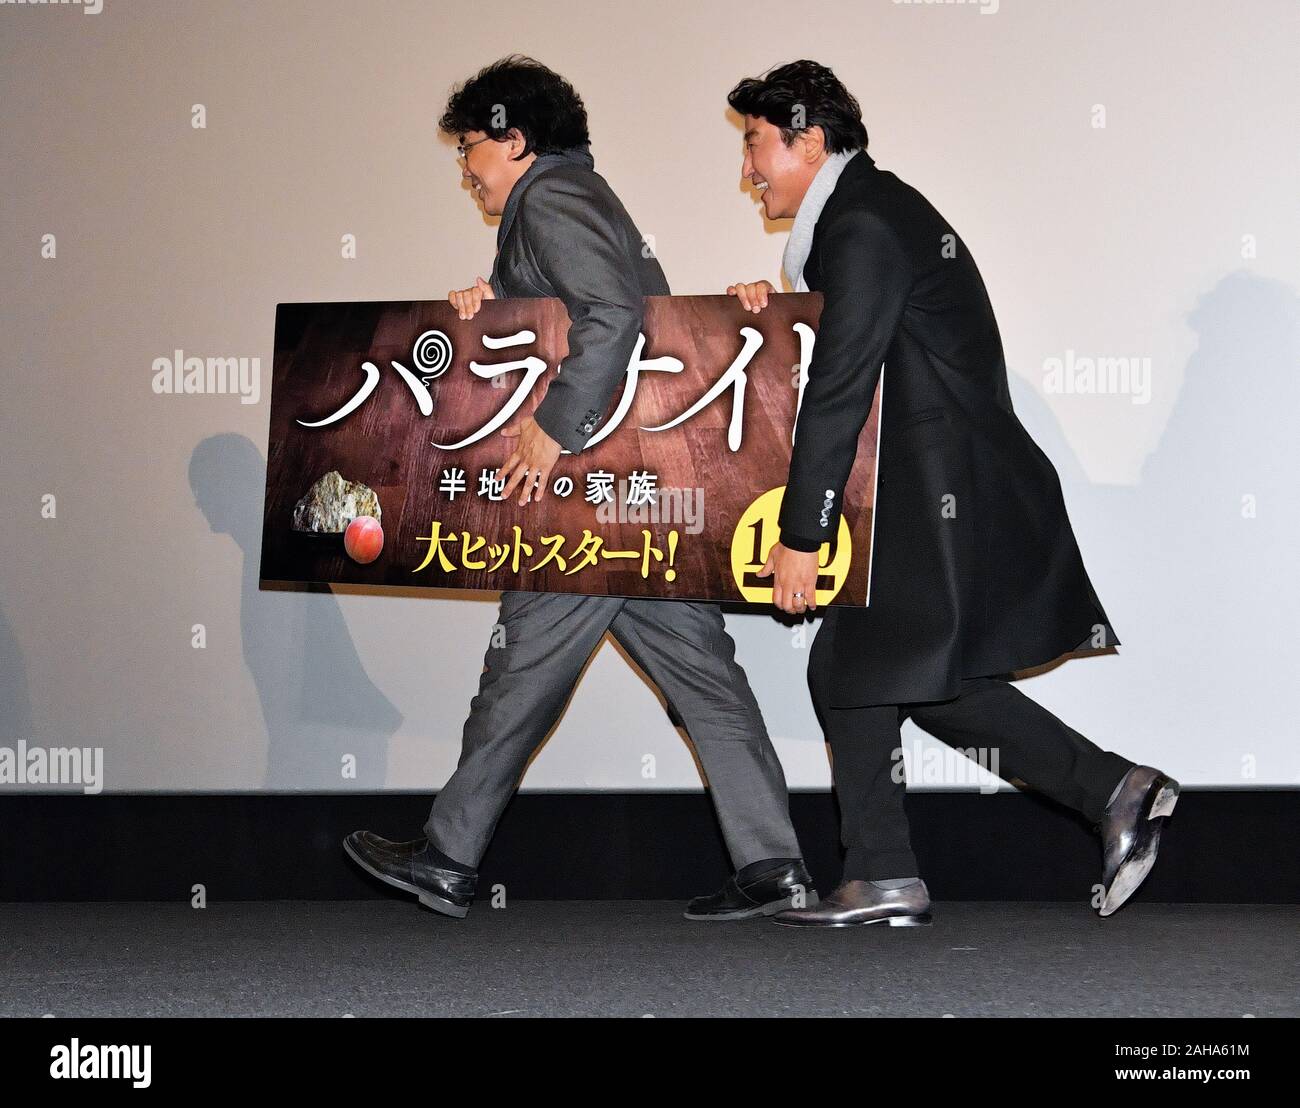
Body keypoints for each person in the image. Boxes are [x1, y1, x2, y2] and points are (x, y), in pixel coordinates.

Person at [345, 56, 813, 920]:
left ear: (514, 141)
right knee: (704, 676)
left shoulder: (552, 200)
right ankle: (774, 865)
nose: (465, 168)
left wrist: (550, 427)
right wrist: (499, 306)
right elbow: (604, 308)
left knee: (520, 668)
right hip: (639, 490)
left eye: (471, 149)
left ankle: (448, 857)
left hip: (589, 490)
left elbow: (614, 315)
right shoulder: (572, 200)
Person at [723, 60, 1179, 927]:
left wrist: (803, 532)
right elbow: (845, 352)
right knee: (908, 677)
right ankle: (1112, 790)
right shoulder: (870, 214)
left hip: (932, 490)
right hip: (937, 484)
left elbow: (843, 385)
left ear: (807, 139)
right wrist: (766, 315)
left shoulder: (860, 225)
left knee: (854, 668)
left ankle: (889, 871)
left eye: (754, 144)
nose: (746, 168)